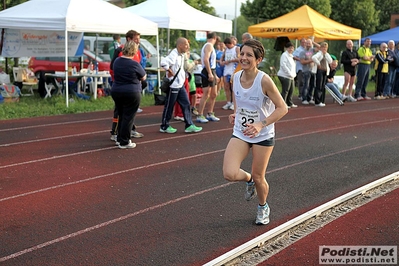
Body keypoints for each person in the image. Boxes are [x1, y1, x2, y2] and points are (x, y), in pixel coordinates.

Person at [222, 39, 288, 225]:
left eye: (249, 55)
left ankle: (262, 206)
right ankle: (248, 179)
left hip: (263, 135)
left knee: (260, 176)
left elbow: (282, 108)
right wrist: (235, 112)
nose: (244, 58)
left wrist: (261, 124)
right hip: (241, 132)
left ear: (258, 59)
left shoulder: (264, 80)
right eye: (242, 54)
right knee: (229, 173)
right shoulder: (235, 77)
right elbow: (238, 98)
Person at [159, 37, 202, 134]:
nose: (188, 47)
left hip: (180, 84)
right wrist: (169, 70)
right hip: (173, 85)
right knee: (169, 106)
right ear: (180, 45)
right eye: (186, 44)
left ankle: (189, 124)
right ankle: (164, 125)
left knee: (186, 104)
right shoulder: (174, 54)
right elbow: (163, 62)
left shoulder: (182, 55)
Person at [110, 30, 145, 142]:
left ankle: (129, 130)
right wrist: (117, 80)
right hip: (122, 85)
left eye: (139, 40)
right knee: (120, 111)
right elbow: (112, 67)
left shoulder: (137, 51)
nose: (138, 42)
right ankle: (115, 132)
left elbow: (139, 67)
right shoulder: (120, 50)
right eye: (136, 40)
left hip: (132, 85)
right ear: (129, 39)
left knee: (129, 112)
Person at [196, 32, 220, 123]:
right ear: (215, 38)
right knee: (206, 94)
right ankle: (200, 114)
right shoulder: (209, 46)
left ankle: (210, 113)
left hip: (212, 70)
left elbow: (211, 62)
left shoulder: (210, 46)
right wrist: (210, 73)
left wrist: (214, 74)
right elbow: (206, 59)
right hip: (207, 71)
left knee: (214, 94)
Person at [220, 37, 240, 110]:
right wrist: (221, 62)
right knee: (226, 87)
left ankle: (234, 103)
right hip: (226, 70)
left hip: (234, 70)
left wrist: (231, 61)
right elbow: (222, 58)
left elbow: (239, 59)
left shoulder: (236, 48)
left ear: (230, 43)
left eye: (228, 45)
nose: (227, 47)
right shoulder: (226, 49)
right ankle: (228, 102)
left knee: (233, 87)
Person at [312, 42, 333, 107]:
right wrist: (318, 63)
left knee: (322, 86)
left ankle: (321, 100)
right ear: (320, 48)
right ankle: (317, 101)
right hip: (319, 71)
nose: (324, 49)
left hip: (325, 71)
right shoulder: (319, 54)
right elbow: (313, 57)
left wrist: (326, 54)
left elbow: (330, 61)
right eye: (323, 47)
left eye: (326, 48)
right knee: (319, 85)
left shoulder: (326, 54)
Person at [277, 42, 297, 108]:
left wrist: (293, 74)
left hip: (291, 76)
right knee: (285, 90)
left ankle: (290, 103)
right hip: (284, 75)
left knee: (291, 90)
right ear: (286, 48)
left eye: (292, 48)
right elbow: (283, 65)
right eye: (289, 48)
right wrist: (289, 73)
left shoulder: (291, 56)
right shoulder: (284, 55)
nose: (291, 49)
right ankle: (283, 104)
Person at [300, 39, 318, 105]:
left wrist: (313, 42)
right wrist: (311, 60)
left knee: (312, 85)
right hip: (306, 71)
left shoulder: (312, 50)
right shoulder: (302, 52)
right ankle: (304, 98)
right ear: (305, 44)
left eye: (309, 43)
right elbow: (302, 61)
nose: (308, 45)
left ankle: (309, 98)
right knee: (306, 85)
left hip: (313, 70)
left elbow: (320, 48)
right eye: (307, 43)